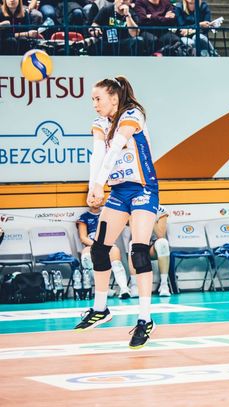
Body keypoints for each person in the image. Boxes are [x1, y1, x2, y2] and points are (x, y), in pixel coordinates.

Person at [73, 76, 159, 350]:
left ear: (114, 98)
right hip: (120, 191)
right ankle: (100, 309)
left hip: (143, 188)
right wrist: (93, 188)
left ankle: (145, 319)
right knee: (99, 249)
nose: (94, 104)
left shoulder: (133, 115)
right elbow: (98, 155)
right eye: (92, 99)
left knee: (139, 251)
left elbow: (116, 149)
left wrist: (100, 184)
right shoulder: (100, 123)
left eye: (98, 98)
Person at [76, 204, 131, 299]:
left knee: (115, 252)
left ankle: (124, 288)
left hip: (108, 244)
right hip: (92, 245)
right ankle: (104, 289)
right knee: (86, 256)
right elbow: (83, 238)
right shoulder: (84, 217)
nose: (95, 200)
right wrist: (97, 246)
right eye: (92, 197)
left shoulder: (108, 214)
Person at [127, 205, 171, 297]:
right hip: (139, 244)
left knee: (163, 242)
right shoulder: (134, 208)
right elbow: (134, 233)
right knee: (132, 244)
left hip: (153, 248)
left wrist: (151, 217)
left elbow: (161, 235)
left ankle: (164, 285)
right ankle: (134, 286)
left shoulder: (161, 210)